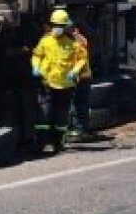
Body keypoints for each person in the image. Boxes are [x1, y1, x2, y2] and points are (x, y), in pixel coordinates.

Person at [30, 9, 88, 153]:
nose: (57, 28)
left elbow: (82, 59)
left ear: (65, 27)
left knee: (61, 116)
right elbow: (36, 55)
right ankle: (41, 144)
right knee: (43, 114)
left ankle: (57, 143)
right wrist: (36, 66)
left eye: (60, 26)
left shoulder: (72, 44)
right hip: (47, 84)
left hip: (65, 86)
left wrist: (74, 71)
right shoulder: (45, 41)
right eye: (55, 25)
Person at [69, 23, 95, 140]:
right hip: (80, 77)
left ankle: (80, 130)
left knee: (78, 104)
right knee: (79, 105)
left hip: (81, 77)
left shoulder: (78, 41)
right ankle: (81, 129)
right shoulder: (79, 40)